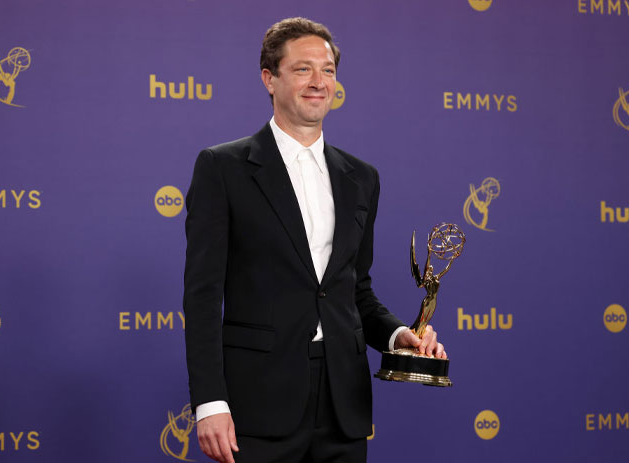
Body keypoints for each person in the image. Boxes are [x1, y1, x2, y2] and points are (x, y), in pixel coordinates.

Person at [183, 17, 447, 463]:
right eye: (303, 69)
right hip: (257, 401)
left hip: (343, 402)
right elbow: (203, 296)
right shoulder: (222, 168)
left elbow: (354, 289)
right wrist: (210, 401)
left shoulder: (361, 177)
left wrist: (399, 335)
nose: (318, 82)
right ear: (270, 78)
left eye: (327, 70)